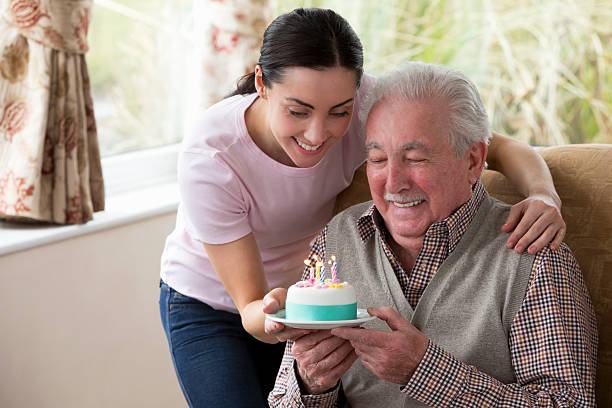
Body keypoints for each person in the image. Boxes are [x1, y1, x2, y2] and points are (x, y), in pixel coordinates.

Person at [159, 8, 567, 408]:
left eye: (340, 112)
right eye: (298, 111)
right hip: (220, 303)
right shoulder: (212, 155)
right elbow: (252, 305)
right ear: (262, 84)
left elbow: (495, 146)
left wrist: (543, 195)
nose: (318, 134)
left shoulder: (371, 103)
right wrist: (280, 322)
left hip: (307, 294)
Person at [267, 61, 597, 407]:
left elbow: (569, 403)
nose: (393, 183)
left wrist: (426, 371)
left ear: (473, 161)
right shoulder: (336, 240)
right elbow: (282, 400)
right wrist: (312, 384)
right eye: (378, 159)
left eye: (415, 159)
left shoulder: (534, 256)